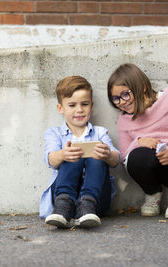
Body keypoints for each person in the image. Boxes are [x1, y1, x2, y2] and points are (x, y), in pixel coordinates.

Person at [107, 63, 168, 219]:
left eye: (125, 94)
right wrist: (139, 142)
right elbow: (125, 156)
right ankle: (153, 194)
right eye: (116, 98)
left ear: (143, 87)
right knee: (136, 157)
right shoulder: (124, 119)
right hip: (155, 170)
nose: (122, 102)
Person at [41, 76, 120, 228]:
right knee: (72, 153)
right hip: (63, 197)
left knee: (97, 153)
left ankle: (87, 205)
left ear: (91, 105)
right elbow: (50, 159)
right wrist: (63, 154)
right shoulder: (54, 133)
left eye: (84, 104)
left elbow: (116, 159)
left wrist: (108, 154)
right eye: (72, 105)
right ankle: (64, 206)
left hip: (95, 202)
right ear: (60, 108)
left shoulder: (100, 133)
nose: (79, 110)